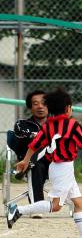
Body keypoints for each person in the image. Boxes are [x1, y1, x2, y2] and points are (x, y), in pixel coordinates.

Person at [8, 88, 82, 238]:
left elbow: (34, 145)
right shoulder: (72, 124)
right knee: (56, 206)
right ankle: (18, 210)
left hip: (57, 166)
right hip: (63, 168)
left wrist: (25, 161)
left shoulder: (47, 126)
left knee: (79, 202)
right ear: (68, 108)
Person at [12, 90, 50, 219]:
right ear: (30, 107)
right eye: (35, 104)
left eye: (44, 103)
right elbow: (26, 139)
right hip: (33, 163)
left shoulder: (58, 125)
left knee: (45, 149)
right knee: (36, 165)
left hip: (54, 164)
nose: (40, 106)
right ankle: (37, 206)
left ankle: (27, 165)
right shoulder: (22, 124)